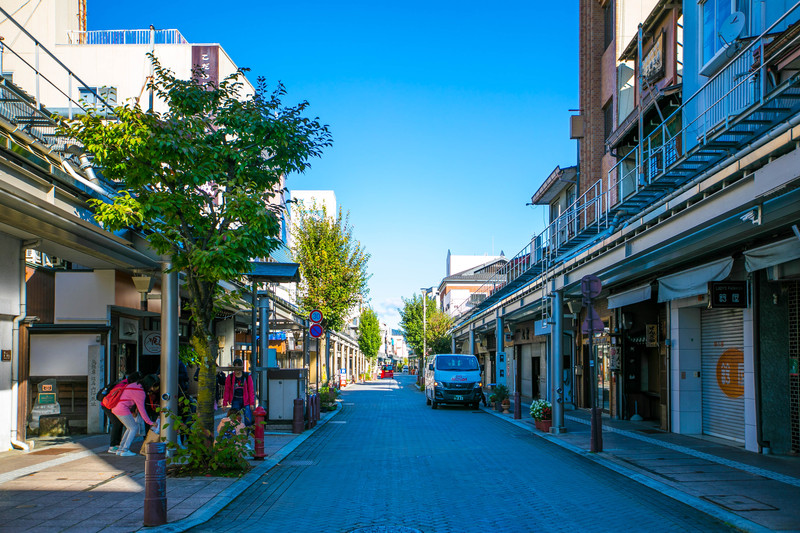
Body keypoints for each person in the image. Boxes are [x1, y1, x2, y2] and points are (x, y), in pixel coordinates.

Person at [112, 374, 157, 457]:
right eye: (152, 386)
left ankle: (121, 449)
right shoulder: (140, 392)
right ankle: (125, 450)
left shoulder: (134, 385)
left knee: (130, 427)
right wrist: (150, 422)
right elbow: (142, 410)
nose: (152, 389)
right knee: (134, 427)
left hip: (116, 407)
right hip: (122, 408)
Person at [100, 371, 141, 454]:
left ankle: (118, 445)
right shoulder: (125, 385)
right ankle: (113, 446)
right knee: (117, 423)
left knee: (120, 423)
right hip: (109, 405)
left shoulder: (124, 382)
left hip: (110, 404)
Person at [223, 358, 255, 422]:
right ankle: (237, 431)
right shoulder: (230, 377)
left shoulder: (247, 376)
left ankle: (247, 431)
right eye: (235, 367)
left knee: (248, 419)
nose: (237, 369)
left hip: (246, 400)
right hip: (235, 400)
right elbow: (227, 390)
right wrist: (225, 402)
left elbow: (251, 390)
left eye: (238, 367)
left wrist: (252, 403)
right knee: (235, 419)